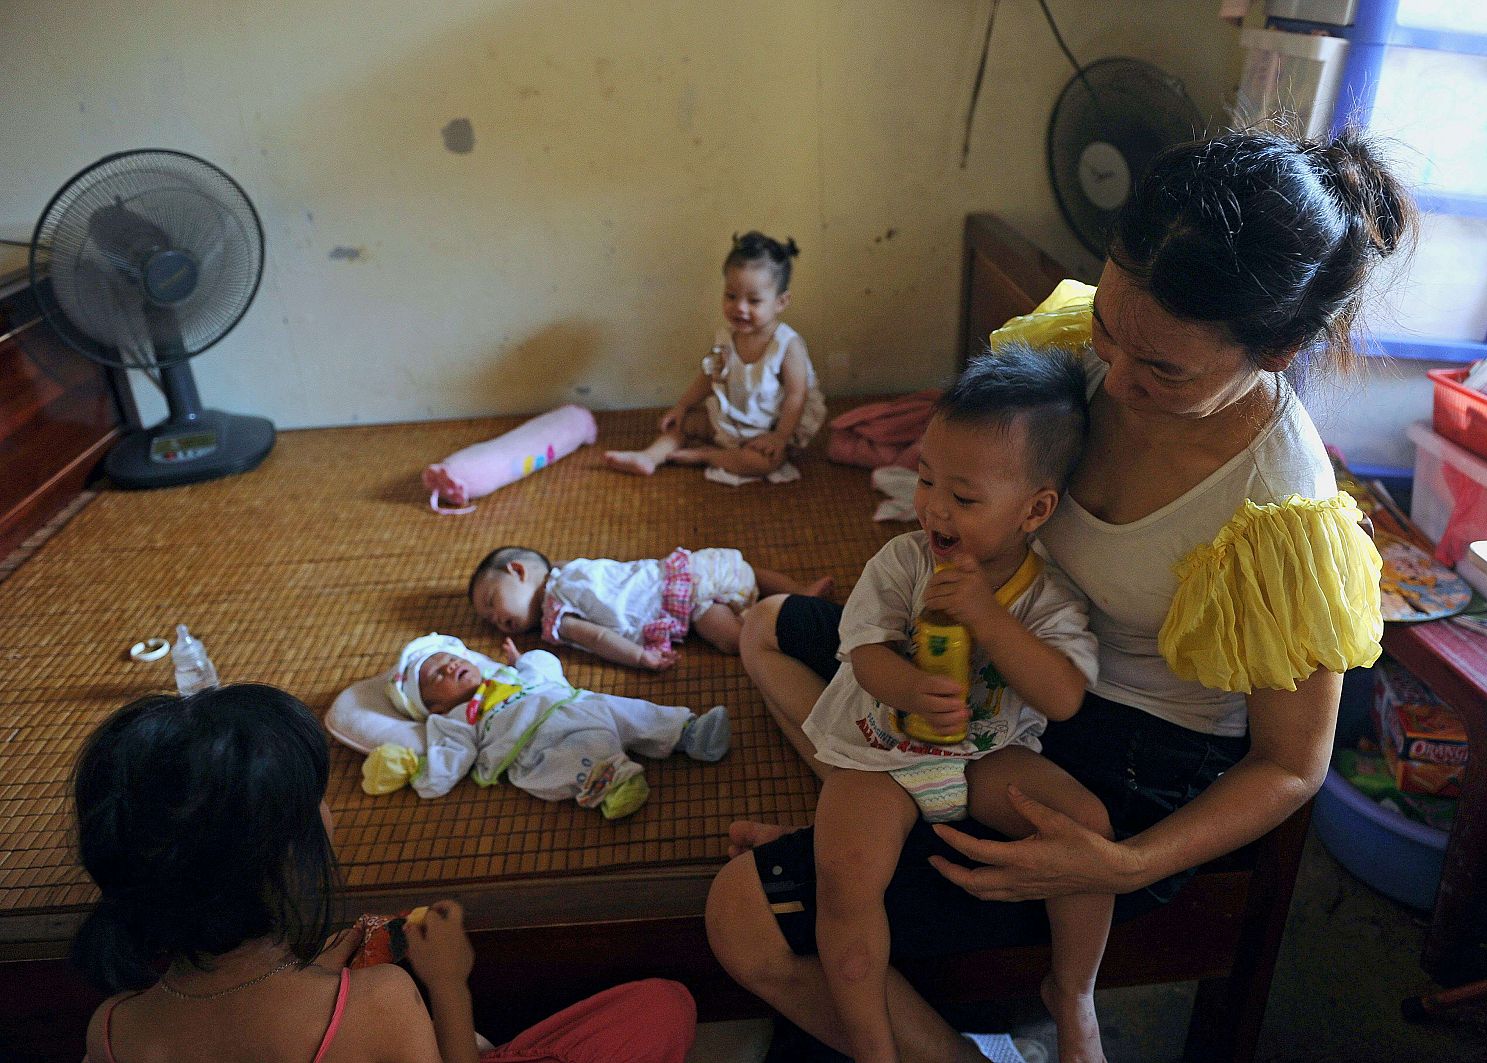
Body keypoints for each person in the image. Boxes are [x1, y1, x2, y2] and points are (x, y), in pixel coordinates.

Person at [706, 126, 1405, 1063]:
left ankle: (999, 982)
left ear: (1276, 349)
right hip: (1006, 660)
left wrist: (1119, 864)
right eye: (1110, 329)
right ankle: (872, 795)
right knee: (766, 628)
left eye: (1163, 370)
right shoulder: (1078, 352)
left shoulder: (1280, 509)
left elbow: (1291, 764)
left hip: (1123, 763)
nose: (1112, 379)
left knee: (745, 918)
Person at [74, 683, 698, 1063]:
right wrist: (448, 983)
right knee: (663, 1006)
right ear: (285, 860)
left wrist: (315, 968)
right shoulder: (375, 1003)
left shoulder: (111, 1031)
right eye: (317, 798)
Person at [802, 352, 1105, 1062]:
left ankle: (1075, 995)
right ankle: (872, 1045)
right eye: (926, 479)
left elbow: (1062, 697)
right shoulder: (904, 562)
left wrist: (985, 615)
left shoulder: (1049, 595)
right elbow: (865, 650)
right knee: (843, 873)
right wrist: (907, 688)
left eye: (963, 498)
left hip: (984, 756)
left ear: (1036, 508)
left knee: (1086, 825)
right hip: (878, 752)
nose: (934, 507)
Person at [363, 633, 729, 819]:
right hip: (536, 741)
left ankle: (689, 733)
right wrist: (418, 768)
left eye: (448, 658)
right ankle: (613, 783)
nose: (447, 667)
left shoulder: (507, 676)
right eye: (435, 675)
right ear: (435, 706)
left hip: (576, 703)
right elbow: (452, 758)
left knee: (630, 710)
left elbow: (549, 676)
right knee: (579, 754)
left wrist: (525, 662)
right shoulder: (453, 720)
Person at [604, 231, 828, 484]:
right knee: (681, 425)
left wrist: (780, 436)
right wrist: (682, 406)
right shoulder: (726, 337)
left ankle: (707, 456)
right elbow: (708, 376)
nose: (740, 307)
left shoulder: (787, 345)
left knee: (763, 463)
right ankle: (649, 457)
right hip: (727, 420)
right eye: (731, 296)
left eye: (754, 301)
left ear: (781, 302)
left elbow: (796, 396)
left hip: (766, 432)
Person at [469, 543, 832, 667]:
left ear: (517, 571)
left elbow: (598, 639)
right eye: (490, 622)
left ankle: (787, 603)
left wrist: (640, 657)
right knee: (745, 573)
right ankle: (798, 593)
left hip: (680, 600)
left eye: (492, 603)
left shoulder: (557, 615)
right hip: (685, 572)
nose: (498, 620)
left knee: (739, 638)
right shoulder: (567, 570)